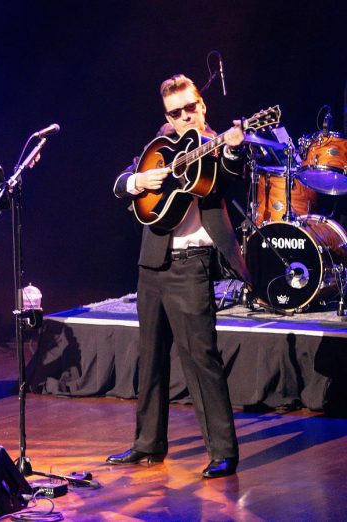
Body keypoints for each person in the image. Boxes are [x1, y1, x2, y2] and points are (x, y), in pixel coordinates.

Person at [108, 74, 250, 479]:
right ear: (166, 115)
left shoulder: (218, 143)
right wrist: (139, 180)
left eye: (191, 108)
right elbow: (121, 181)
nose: (185, 116)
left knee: (201, 359)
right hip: (152, 262)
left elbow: (228, 177)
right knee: (150, 357)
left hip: (192, 263)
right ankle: (147, 444)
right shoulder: (162, 143)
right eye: (176, 112)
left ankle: (223, 451)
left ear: (202, 105)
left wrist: (236, 149)